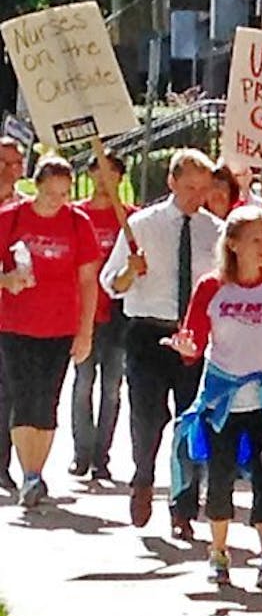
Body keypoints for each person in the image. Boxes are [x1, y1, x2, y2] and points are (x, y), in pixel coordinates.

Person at [167, 205, 262, 589]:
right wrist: (186, 347)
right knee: (221, 476)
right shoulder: (211, 287)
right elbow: (193, 342)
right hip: (221, 401)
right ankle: (219, 553)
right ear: (234, 244)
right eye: (257, 239)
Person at [100, 149, 222, 537]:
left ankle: (183, 505)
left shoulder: (216, 231)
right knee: (148, 415)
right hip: (148, 333)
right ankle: (143, 476)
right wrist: (129, 272)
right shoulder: (141, 225)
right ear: (172, 182)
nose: (195, 196)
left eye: (203, 189)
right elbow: (112, 285)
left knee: (190, 422)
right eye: (189, 187)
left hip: (193, 335)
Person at [0, 155, 100, 507]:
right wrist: (6, 280)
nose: (57, 200)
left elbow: (89, 281)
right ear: (37, 186)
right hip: (14, 324)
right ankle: (29, 473)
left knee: (49, 398)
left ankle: (36, 470)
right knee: (23, 395)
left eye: (64, 193)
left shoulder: (77, 223)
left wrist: (85, 330)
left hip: (59, 326)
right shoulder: (11, 218)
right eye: (51, 193)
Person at [70, 153, 136, 481]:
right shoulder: (76, 215)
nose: (103, 178)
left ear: (120, 178)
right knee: (83, 383)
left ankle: (102, 456)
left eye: (111, 172)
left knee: (112, 386)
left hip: (118, 316)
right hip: (83, 312)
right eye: (98, 171)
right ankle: (81, 453)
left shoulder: (130, 218)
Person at [0, 135, 25, 493]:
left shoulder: (27, 210)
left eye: (14, 164)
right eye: (2, 163)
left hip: (14, 316)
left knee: (6, 393)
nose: (9, 170)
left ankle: (2, 466)